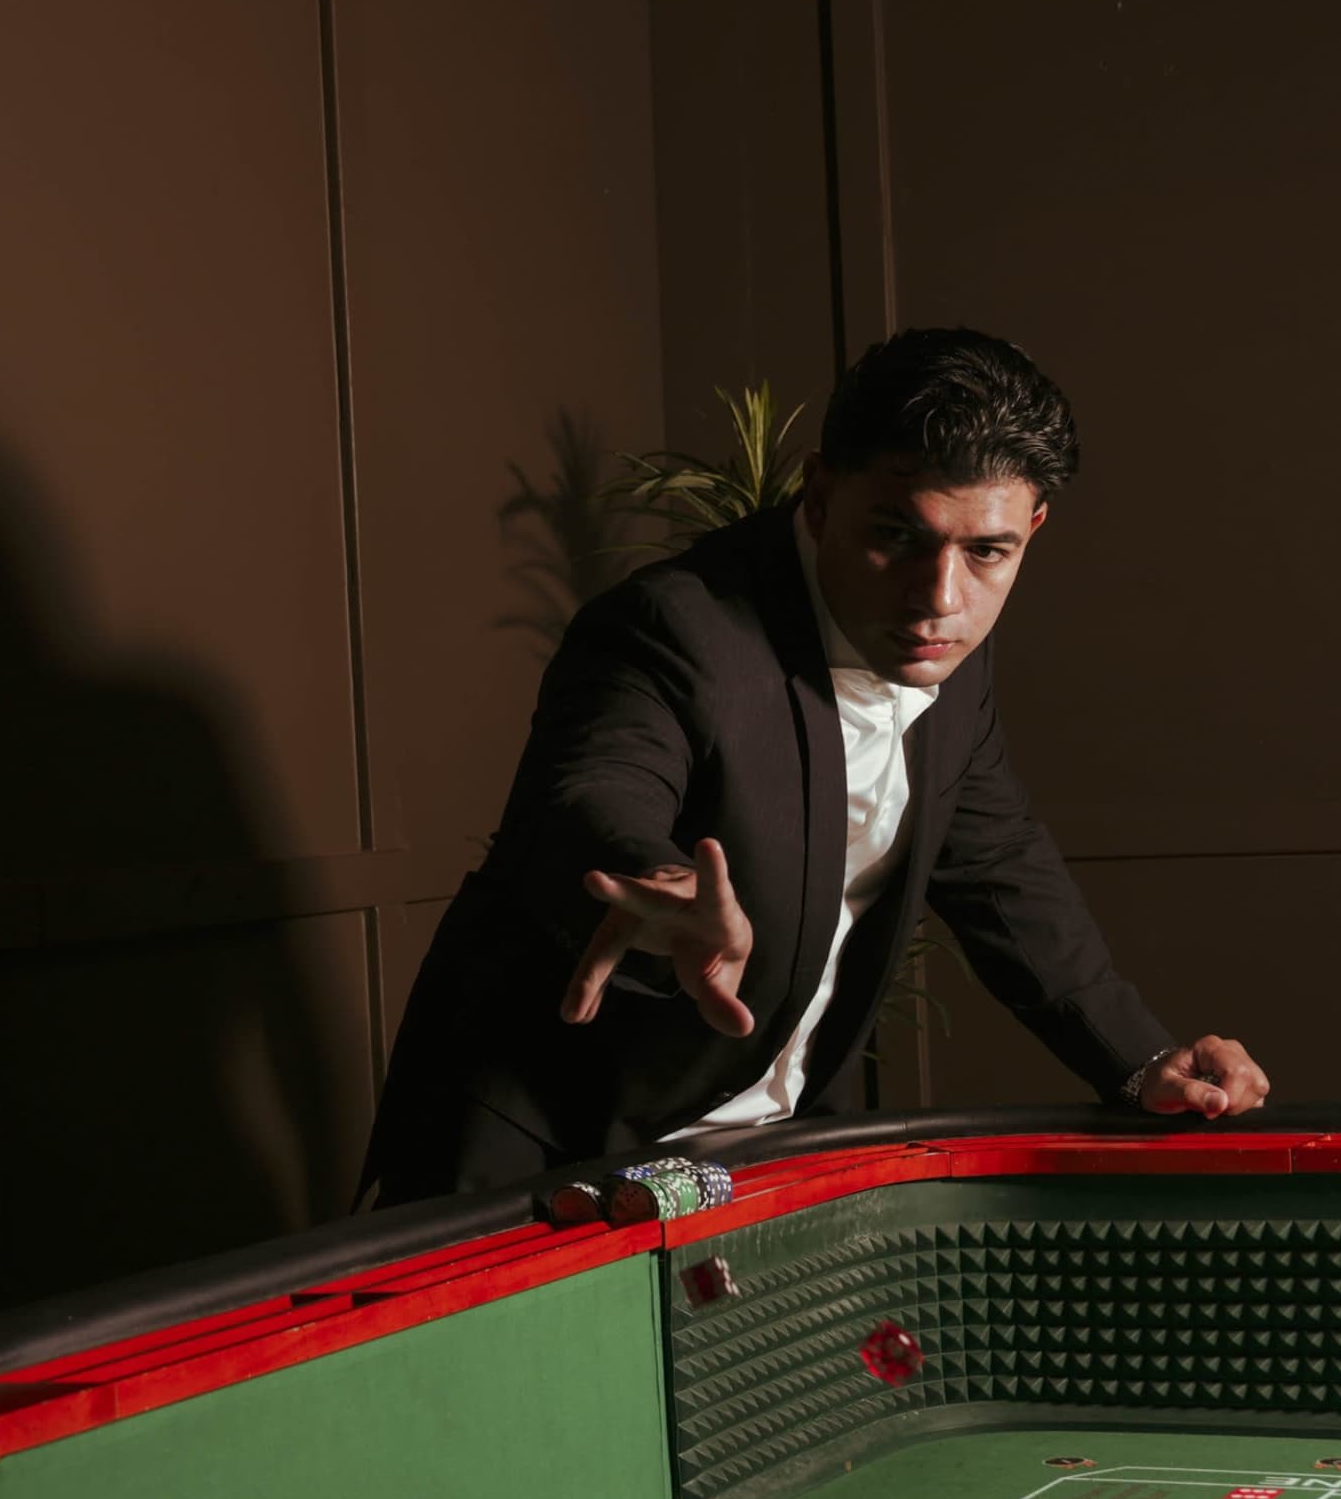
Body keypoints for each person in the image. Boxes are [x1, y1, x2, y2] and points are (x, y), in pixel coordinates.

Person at [365, 325, 1267, 1201]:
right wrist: (662, 882)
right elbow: (591, 789)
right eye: (897, 536)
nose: (938, 599)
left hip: (765, 1142)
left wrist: (1146, 1060)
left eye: (987, 551)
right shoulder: (674, 625)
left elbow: (995, 865)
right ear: (821, 495)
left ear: (1032, 525)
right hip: (547, 1149)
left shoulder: (948, 639)